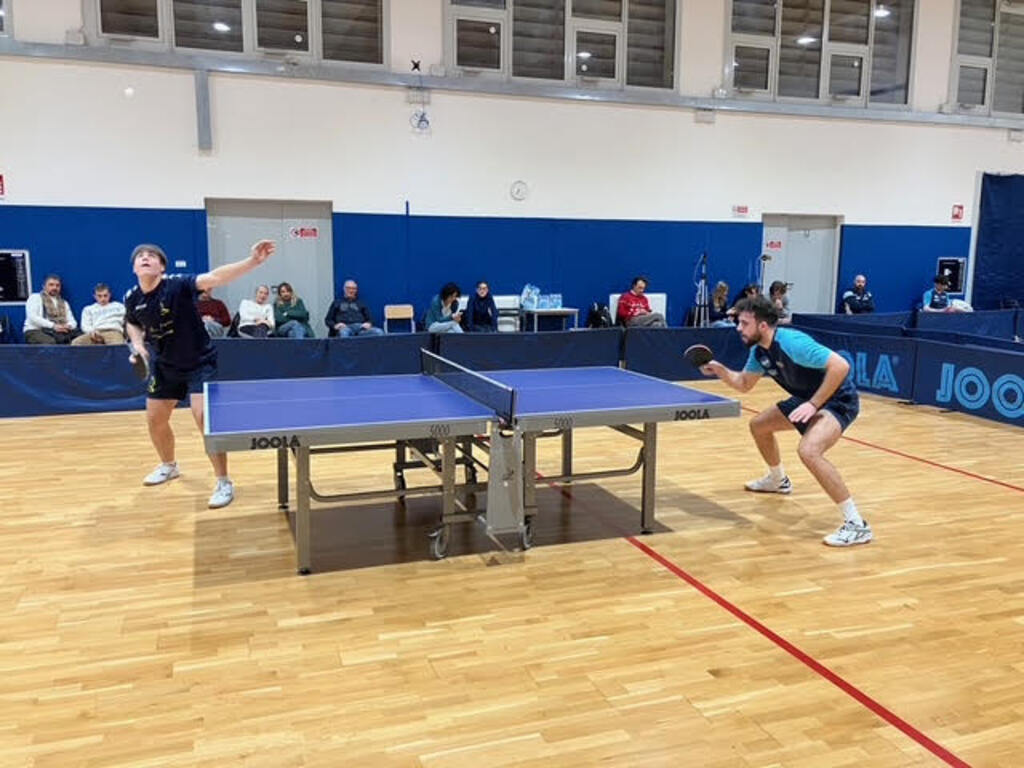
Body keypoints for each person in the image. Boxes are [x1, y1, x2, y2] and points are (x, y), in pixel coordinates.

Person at [699, 296, 871, 547]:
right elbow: (744, 384)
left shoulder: (792, 343)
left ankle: (857, 524)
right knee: (759, 425)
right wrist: (720, 370)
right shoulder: (759, 351)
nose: (738, 328)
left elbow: (841, 366)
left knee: (809, 451)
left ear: (762, 326)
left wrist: (813, 404)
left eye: (744, 323)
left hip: (837, 400)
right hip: (805, 399)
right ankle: (777, 480)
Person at [124, 240, 275, 509]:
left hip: (199, 361)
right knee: (155, 419)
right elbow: (132, 323)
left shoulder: (177, 285)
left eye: (152, 256)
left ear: (161, 267)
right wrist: (137, 344)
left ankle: (223, 481)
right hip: (165, 365)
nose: (145, 258)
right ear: (134, 267)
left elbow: (216, 277)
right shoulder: (132, 297)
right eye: (140, 256)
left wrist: (252, 261)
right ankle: (169, 465)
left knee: (204, 418)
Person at [23, 274, 81, 345]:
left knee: (80, 339)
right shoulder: (35, 297)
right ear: (44, 286)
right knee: (51, 342)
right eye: (51, 285)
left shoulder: (64, 302)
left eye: (57, 285)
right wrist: (53, 326)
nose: (54, 287)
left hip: (58, 331)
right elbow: (33, 317)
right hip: (35, 330)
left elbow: (73, 321)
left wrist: (67, 326)